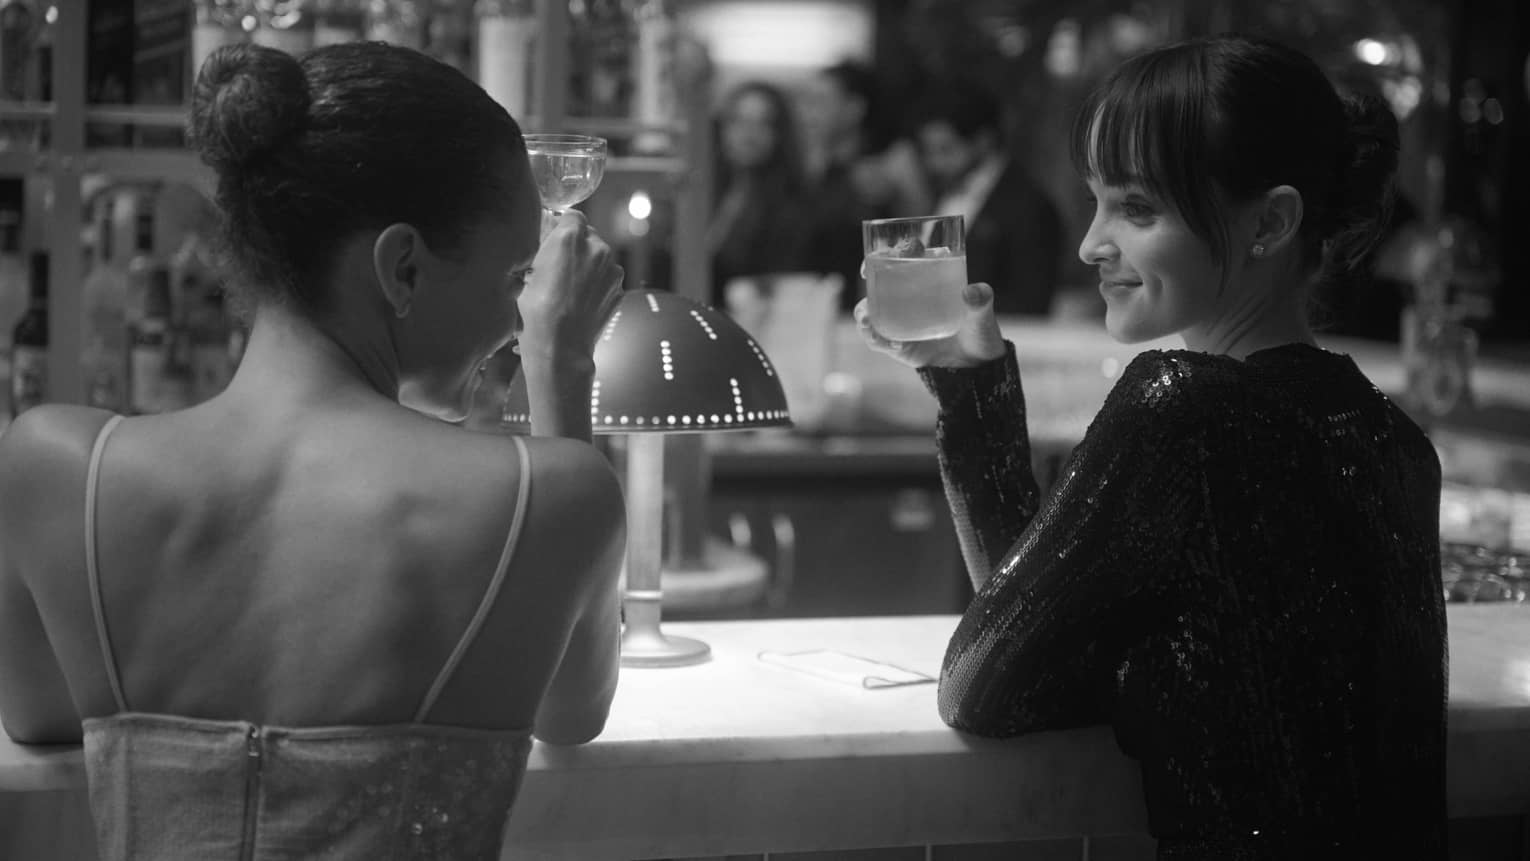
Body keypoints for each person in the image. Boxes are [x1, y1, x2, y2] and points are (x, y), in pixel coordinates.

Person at [0, 42, 627, 860]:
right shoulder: (551, 495)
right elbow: (571, 714)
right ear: (402, 265)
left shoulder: (56, 466)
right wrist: (563, 363)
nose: (518, 320)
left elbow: (39, 712)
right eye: (514, 279)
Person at [858, 34, 1446, 858]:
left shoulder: (1178, 406)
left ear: (1271, 222)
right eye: (1097, 201)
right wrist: (972, 385)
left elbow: (982, 685)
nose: (1090, 244)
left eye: (1137, 209)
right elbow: (1036, 628)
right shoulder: (1396, 442)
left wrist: (972, 395)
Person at [913, 83, 1063, 317]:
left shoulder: (1029, 205)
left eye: (946, 150)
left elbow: (1031, 303)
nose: (935, 164)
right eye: (929, 151)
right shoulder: (944, 191)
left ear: (983, 141)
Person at [707, 80, 815, 309]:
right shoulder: (701, 189)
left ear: (779, 134)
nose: (749, 133)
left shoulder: (795, 203)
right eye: (739, 121)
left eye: (763, 123)